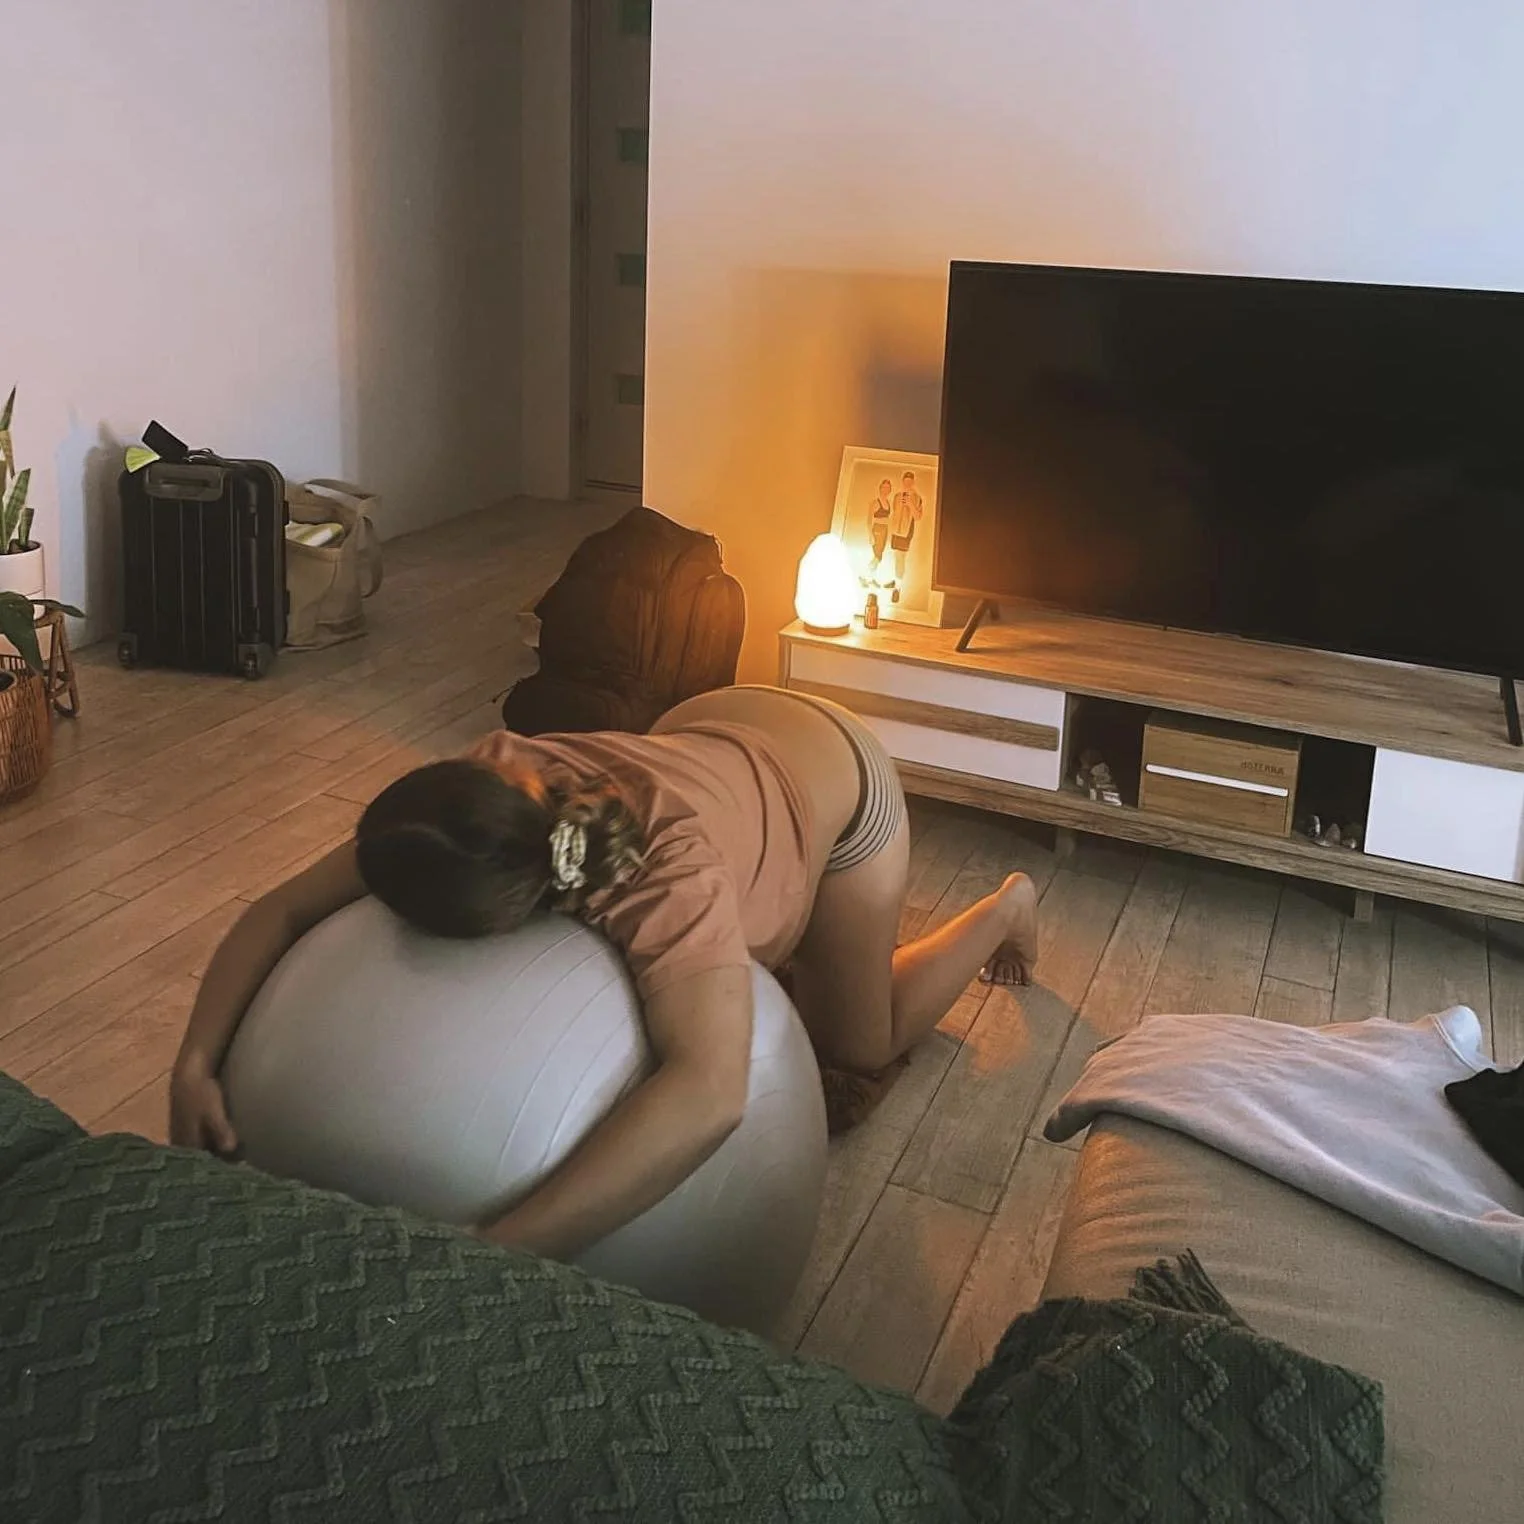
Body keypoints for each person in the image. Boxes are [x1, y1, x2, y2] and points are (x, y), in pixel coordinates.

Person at [169, 686, 1038, 1262]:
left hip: (843, 783)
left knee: (858, 1040)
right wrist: (196, 1062)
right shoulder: (479, 795)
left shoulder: (667, 878)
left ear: (522, 905)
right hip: (709, 724)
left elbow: (711, 1093)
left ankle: (1005, 905)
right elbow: (282, 909)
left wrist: (500, 1245)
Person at [888, 470, 925, 601]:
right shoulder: (897, 496)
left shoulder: (917, 497)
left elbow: (918, 516)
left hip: (906, 530)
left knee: (901, 558)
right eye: (906, 480)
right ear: (903, 481)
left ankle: (898, 588)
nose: (908, 483)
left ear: (913, 482)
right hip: (895, 530)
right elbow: (894, 511)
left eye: (910, 481)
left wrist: (910, 504)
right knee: (895, 556)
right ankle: (895, 580)